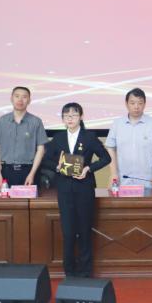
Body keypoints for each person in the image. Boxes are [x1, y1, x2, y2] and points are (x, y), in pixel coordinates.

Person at [46, 102, 110, 277]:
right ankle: (69, 271)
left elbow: (106, 158)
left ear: (81, 117)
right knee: (68, 232)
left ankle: (85, 271)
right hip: (64, 189)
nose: (70, 118)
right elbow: (46, 159)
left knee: (84, 230)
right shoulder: (58, 138)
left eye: (74, 115)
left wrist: (89, 168)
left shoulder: (89, 137)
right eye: (67, 116)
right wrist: (57, 167)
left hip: (84, 188)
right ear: (62, 119)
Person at [106, 88, 152, 192]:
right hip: (123, 181)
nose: (136, 106)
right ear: (126, 104)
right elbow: (110, 148)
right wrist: (113, 173)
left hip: (149, 181)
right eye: (132, 103)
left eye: (140, 103)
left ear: (144, 104)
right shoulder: (117, 124)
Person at [0, 86, 49, 186]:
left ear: (29, 100)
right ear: (11, 98)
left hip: (28, 171)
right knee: (7, 197)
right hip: (6, 171)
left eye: (24, 97)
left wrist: (32, 173)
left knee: (30, 197)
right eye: (17, 96)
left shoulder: (36, 122)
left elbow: (41, 149)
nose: (20, 100)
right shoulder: (2, 121)